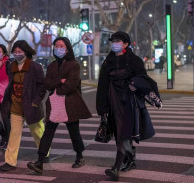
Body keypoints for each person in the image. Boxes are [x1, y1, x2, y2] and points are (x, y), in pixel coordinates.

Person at [96, 31, 158, 181]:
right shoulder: (107, 62)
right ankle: (131, 159)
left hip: (129, 104)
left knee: (123, 134)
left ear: (126, 44)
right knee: (120, 134)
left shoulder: (134, 60)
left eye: (118, 41)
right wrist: (102, 109)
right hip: (112, 103)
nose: (114, 43)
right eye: (113, 41)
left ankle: (116, 168)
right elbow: (102, 86)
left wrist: (134, 85)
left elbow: (143, 79)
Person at [27, 37, 92, 174]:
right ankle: (40, 161)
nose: (58, 48)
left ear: (67, 49)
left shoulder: (74, 64)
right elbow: (47, 84)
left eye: (61, 45)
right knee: (48, 132)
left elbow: (71, 85)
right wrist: (59, 82)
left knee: (74, 133)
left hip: (70, 103)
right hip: (55, 103)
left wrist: (58, 87)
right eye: (56, 45)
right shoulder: (51, 66)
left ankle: (79, 156)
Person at [0, 40, 47, 171]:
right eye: (15, 52)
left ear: (26, 52)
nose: (17, 54)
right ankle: (10, 161)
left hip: (31, 105)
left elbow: (42, 87)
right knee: (14, 133)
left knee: (37, 130)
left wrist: (35, 101)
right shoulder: (11, 66)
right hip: (15, 104)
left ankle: (44, 152)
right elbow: (10, 84)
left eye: (19, 52)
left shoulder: (35, 67)